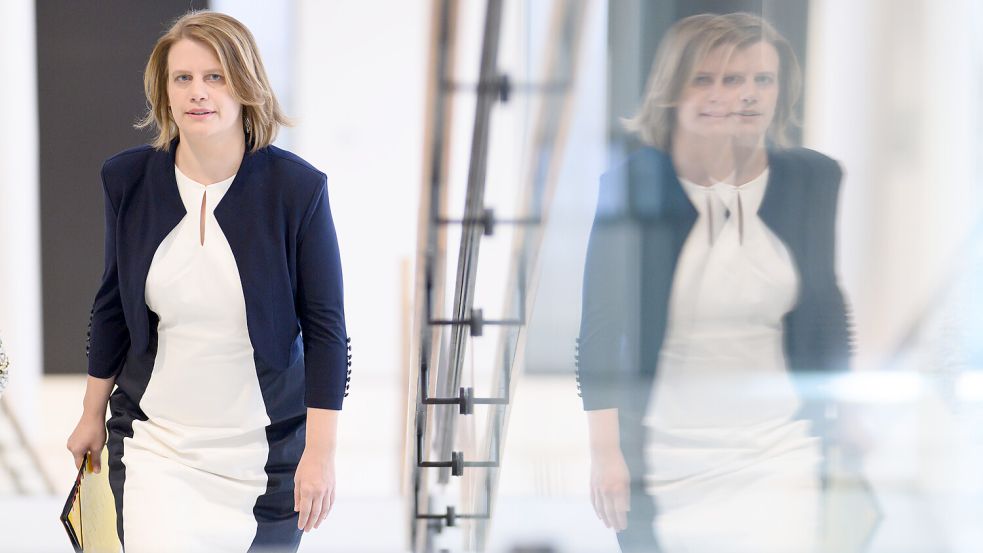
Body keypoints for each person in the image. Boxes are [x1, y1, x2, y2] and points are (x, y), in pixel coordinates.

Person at [66, 11, 350, 552]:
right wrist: (90, 414)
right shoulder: (128, 180)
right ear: (164, 92)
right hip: (157, 443)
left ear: (246, 85)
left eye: (215, 77)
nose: (198, 93)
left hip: (266, 454)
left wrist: (321, 451)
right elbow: (110, 309)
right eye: (183, 78)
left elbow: (327, 332)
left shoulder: (297, 191)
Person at [576, 12, 851, 553]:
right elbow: (600, 329)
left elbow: (826, 305)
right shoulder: (634, 184)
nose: (739, 96)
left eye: (759, 80)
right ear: (673, 90)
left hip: (780, 450)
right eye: (711, 79)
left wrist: (844, 416)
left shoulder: (811, 179)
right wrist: (605, 453)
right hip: (667, 457)